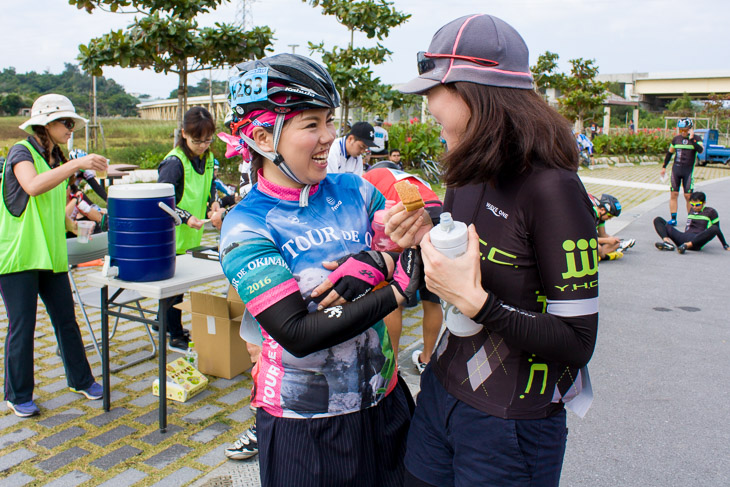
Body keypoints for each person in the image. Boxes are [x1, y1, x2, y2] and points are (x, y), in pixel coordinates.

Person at [386, 14, 599, 486]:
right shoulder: (468, 168)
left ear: (471, 92)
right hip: (440, 392)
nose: (426, 107)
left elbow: (578, 343)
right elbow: (464, 251)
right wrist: (422, 232)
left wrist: (478, 303)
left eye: (432, 91)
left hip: (513, 422)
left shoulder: (554, 189)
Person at [219, 53, 419, 487]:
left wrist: (381, 261)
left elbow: (419, 244)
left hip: (385, 400)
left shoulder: (355, 190)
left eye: (330, 120)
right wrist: (396, 291)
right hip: (307, 420)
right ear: (261, 136)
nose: (330, 136)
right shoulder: (247, 224)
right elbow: (297, 332)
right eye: (311, 124)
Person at [0, 94, 107, 417]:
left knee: (66, 320)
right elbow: (32, 187)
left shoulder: (53, 157)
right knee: (23, 325)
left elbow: (52, 203)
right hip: (19, 256)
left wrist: (75, 227)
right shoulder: (22, 152)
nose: (71, 128)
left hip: (50, 253)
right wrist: (76, 163)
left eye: (72, 122)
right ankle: (18, 395)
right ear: (45, 123)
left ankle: (81, 379)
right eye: (66, 122)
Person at [362, 166, 444, 373]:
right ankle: (426, 358)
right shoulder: (409, 178)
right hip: (438, 219)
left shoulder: (368, 179)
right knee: (432, 298)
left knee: (393, 301)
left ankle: (393, 364)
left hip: (409, 224)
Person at [157, 106, 219, 351]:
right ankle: (174, 334)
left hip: (191, 233)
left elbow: (211, 184)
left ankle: (162, 321)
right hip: (171, 235)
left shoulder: (208, 157)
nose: (203, 145)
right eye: (197, 140)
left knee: (181, 286)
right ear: (183, 134)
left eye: (208, 140)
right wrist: (184, 217)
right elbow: (160, 201)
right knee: (175, 289)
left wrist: (213, 202)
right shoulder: (174, 162)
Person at [653, 191, 729, 253]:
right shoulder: (691, 210)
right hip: (682, 237)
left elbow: (717, 230)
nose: (694, 207)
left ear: (704, 203)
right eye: (692, 204)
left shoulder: (711, 212)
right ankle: (667, 243)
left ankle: (687, 245)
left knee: (714, 228)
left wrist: (725, 244)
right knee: (658, 220)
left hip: (696, 241)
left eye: (697, 205)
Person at [660, 118, 704, 226]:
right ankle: (673, 218)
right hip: (676, 170)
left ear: (690, 129)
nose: (683, 132)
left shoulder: (696, 139)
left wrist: (692, 139)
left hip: (688, 171)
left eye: (685, 130)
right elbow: (669, 154)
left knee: (688, 196)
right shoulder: (676, 139)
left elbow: (700, 150)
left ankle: (691, 219)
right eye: (681, 130)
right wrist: (664, 167)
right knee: (674, 194)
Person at [589, 193, 635, 260]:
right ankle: (604, 256)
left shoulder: (601, 217)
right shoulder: (591, 215)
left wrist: (614, 240)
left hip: (592, 239)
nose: (610, 218)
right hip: (582, 238)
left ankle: (600, 255)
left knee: (616, 244)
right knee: (598, 248)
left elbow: (603, 234)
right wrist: (607, 240)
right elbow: (588, 238)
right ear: (602, 210)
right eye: (609, 216)